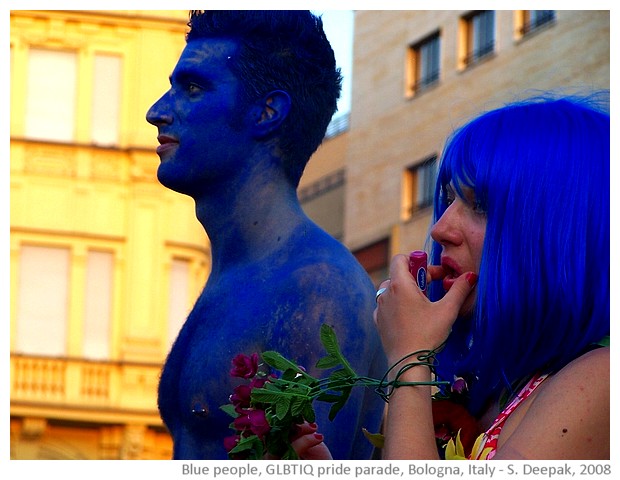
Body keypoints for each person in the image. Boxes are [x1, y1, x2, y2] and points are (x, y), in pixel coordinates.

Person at [293, 93, 610, 460]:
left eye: (480, 205)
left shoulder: (602, 378)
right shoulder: (493, 385)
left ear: (558, 231)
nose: (441, 229)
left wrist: (409, 358)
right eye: (448, 199)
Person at [145, 10, 386, 460]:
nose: (156, 111)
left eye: (193, 88)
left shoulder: (315, 290)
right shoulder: (244, 275)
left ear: (267, 112)